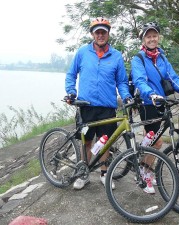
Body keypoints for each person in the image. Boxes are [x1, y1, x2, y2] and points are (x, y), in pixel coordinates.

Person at [131, 22, 179, 194]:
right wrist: (151, 94)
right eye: (148, 36)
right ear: (143, 39)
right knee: (157, 141)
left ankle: (144, 163)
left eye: (154, 36)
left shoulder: (162, 57)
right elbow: (139, 80)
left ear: (158, 37)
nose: (152, 39)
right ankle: (144, 173)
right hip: (148, 103)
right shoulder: (138, 58)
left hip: (163, 103)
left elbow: (173, 78)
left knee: (155, 142)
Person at [65, 17, 132, 190]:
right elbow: (71, 74)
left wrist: (126, 97)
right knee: (86, 142)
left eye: (104, 32)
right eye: (97, 32)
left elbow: (122, 82)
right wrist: (71, 91)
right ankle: (84, 174)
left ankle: (105, 173)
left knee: (106, 142)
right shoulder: (82, 53)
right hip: (86, 105)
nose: (101, 35)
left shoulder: (116, 56)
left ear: (108, 34)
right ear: (93, 34)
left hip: (107, 107)